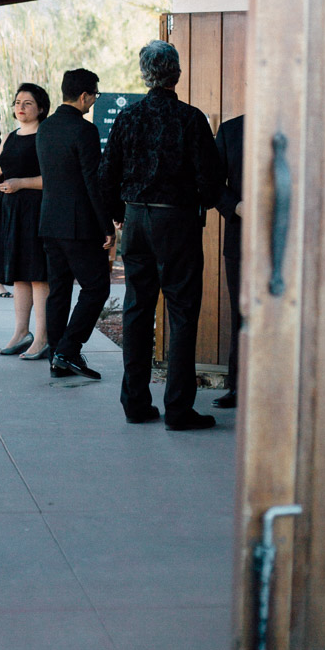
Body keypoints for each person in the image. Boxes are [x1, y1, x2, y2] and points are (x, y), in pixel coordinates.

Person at [99, 40, 223, 431]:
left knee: (136, 309)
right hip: (178, 222)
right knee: (182, 313)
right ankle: (179, 409)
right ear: (178, 74)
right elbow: (211, 180)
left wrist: (120, 215)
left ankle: (135, 402)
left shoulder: (128, 118)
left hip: (136, 220)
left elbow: (106, 177)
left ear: (143, 74)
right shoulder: (191, 119)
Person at [36, 68, 114, 380]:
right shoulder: (84, 131)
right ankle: (67, 350)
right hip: (79, 225)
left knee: (59, 290)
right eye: (94, 95)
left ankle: (57, 356)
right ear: (83, 96)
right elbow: (91, 183)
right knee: (97, 287)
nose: (94, 102)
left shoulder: (45, 128)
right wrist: (106, 225)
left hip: (49, 221)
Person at [0, 82, 51, 360]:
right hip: (10, 208)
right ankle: (21, 332)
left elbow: (54, 179)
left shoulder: (45, 136)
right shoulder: (10, 136)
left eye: (27, 103)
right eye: (17, 103)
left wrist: (20, 183)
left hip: (36, 209)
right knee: (19, 274)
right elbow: (2, 169)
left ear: (41, 108)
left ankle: (43, 337)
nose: (20, 108)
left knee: (38, 275)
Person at [213, 114, 244, 409]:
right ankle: (238, 388)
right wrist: (236, 206)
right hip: (241, 237)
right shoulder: (231, 130)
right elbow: (212, 183)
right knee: (240, 315)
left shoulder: (302, 123)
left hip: (294, 238)